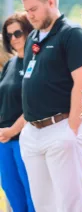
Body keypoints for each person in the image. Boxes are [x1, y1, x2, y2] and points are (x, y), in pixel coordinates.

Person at [18, 0, 82, 212]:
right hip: (33, 132)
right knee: (43, 204)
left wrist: (72, 126)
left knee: (70, 203)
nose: (29, 15)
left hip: (61, 128)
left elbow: (81, 81)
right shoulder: (33, 38)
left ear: (50, 2)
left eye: (33, 9)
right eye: (26, 10)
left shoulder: (72, 35)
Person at [0, 12, 35, 212]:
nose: (14, 39)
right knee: (12, 193)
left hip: (24, 137)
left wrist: (13, 130)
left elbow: (35, 102)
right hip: (4, 140)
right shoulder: (11, 64)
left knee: (32, 193)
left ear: (29, 31)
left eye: (18, 33)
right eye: (9, 35)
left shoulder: (36, 61)